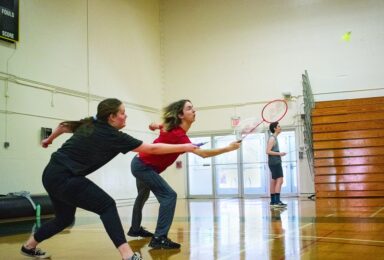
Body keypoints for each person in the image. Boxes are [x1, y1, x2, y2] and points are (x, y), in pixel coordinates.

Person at [20, 98, 198, 260]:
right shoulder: (114, 136)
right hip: (66, 177)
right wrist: (186, 146)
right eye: (122, 113)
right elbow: (152, 149)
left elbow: (64, 126)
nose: (125, 115)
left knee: (63, 219)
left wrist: (48, 140)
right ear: (112, 117)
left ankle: (29, 246)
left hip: (50, 174)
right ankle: (128, 255)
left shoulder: (90, 124)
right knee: (107, 205)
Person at [127, 99, 241, 249]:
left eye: (193, 108)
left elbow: (161, 126)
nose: (194, 111)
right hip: (143, 166)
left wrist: (155, 125)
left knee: (142, 196)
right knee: (169, 196)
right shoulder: (179, 135)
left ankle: (135, 230)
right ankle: (159, 238)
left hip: (139, 162)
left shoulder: (172, 128)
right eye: (189, 108)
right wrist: (228, 148)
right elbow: (204, 154)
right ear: (181, 115)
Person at [266, 122, 287, 208]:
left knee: (274, 181)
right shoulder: (272, 138)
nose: (280, 127)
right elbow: (267, 151)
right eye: (278, 126)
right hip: (275, 162)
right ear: (274, 128)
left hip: (274, 162)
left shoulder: (274, 138)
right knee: (280, 181)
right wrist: (280, 154)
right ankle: (277, 201)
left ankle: (273, 201)